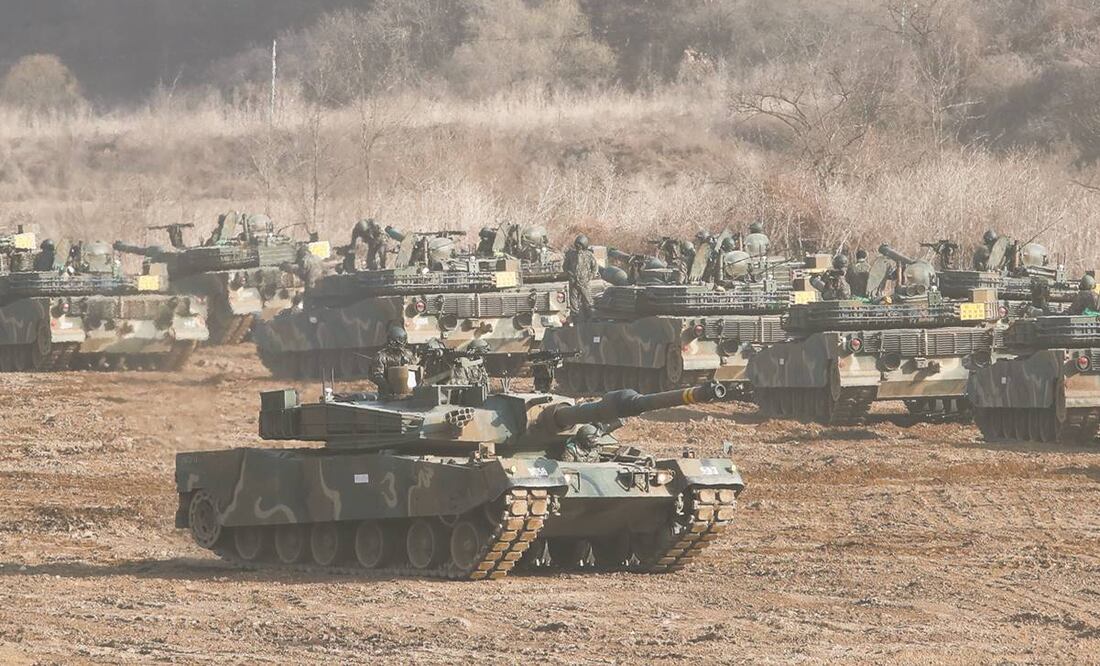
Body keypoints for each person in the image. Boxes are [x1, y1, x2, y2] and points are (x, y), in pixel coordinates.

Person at [368, 325, 420, 397]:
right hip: (387, 394)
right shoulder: (381, 356)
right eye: (395, 342)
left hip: (409, 392)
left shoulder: (408, 354)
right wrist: (387, 386)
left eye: (400, 341)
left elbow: (416, 370)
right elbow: (376, 375)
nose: (398, 344)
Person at [563, 234, 599, 321]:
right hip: (573, 282)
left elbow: (595, 267)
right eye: (577, 245)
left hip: (584, 282)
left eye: (580, 245)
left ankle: (591, 318)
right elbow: (565, 267)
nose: (578, 246)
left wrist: (590, 277)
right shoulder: (571, 255)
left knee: (588, 301)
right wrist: (570, 275)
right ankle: (575, 319)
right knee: (573, 302)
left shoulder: (589, 255)